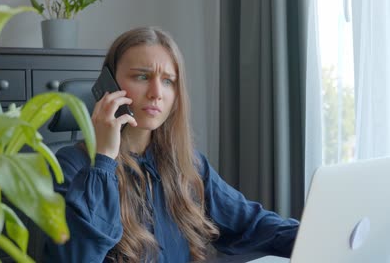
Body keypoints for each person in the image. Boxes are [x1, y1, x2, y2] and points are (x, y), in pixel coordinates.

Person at [45, 26, 299, 263]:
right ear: (108, 85)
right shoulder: (71, 165)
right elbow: (78, 256)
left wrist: (319, 235)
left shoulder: (189, 166)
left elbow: (252, 225)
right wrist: (104, 160)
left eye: (168, 81)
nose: (157, 92)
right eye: (142, 76)